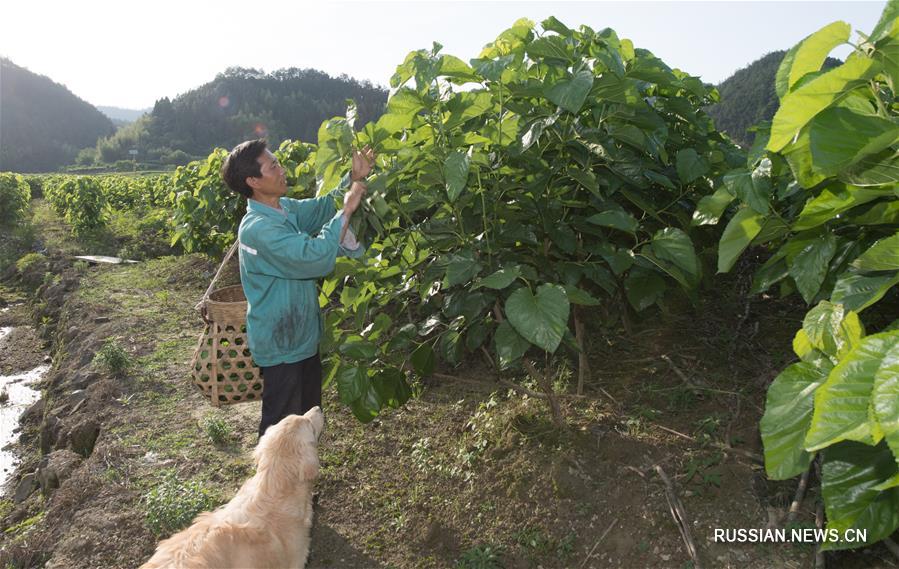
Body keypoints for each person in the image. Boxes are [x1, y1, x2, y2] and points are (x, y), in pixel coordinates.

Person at [221, 139, 373, 438]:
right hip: (281, 345)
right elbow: (313, 257)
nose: (282, 169)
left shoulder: (282, 209)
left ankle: (298, 482)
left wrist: (353, 179)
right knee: (280, 432)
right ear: (253, 181)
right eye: (273, 166)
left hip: (301, 336)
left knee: (305, 422)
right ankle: (271, 483)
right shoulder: (258, 229)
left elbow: (319, 208)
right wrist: (346, 211)